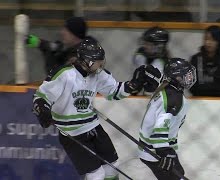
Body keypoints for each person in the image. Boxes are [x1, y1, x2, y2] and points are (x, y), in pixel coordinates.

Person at [32, 37, 161, 180]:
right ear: (86, 60)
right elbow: (41, 97)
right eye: (97, 61)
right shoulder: (64, 74)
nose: (100, 64)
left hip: (93, 126)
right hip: (72, 132)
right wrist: (42, 110)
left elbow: (115, 92)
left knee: (112, 167)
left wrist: (135, 83)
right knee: (96, 174)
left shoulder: (98, 74)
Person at [138, 58, 197, 180]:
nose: (190, 78)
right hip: (155, 150)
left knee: (179, 174)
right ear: (177, 78)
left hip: (152, 148)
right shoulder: (174, 97)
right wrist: (165, 152)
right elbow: (160, 127)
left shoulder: (167, 89)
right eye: (187, 75)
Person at [189, 25, 220, 97]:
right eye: (206, 39)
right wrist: (214, 87)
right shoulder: (195, 59)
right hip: (198, 100)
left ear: (219, 41)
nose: (208, 42)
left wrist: (205, 88)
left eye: (212, 39)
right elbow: (192, 87)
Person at [132, 26, 170, 94]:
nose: (145, 46)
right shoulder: (141, 56)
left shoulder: (163, 63)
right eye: (145, 43)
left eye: (148, 44)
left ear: (159, 46)